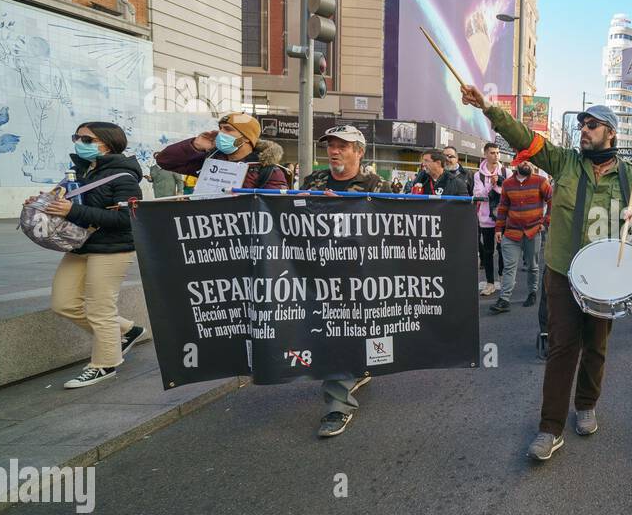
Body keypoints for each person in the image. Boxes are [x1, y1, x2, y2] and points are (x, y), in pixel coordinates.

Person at [460, 83, 632, 462]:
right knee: (562, 348)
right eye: (582, 125)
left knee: (596, 346)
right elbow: (524, 136)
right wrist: (487, 107)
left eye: (592, 125)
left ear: (610, 132)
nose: (584, 130)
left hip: (606, 280)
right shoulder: (564, 161)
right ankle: (550, 428)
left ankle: (586, 404)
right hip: (563, 272)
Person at [38, 122, 147, 388]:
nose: (79, 142)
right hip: (80, 245)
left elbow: (127, 219)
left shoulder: (124, 177)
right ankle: (126, 330)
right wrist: (42, 203)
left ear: (106, 144)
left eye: (87, 139)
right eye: (77, 137)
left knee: (100, 308)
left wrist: (71, 211)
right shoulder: (79, 171)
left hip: (113, 248)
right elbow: (66, 203)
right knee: (63, 303)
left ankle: (104, 364)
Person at [298, 125, 386, 437]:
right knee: (333, 333)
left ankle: (351, 378)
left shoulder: (376, 185)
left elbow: (390, 228)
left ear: (359, 152)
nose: (334, 151)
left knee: (351, 331)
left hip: (359, 275)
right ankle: (338, 402)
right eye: (330, 145)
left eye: (343, 146)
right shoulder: (315, 181)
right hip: (320, 274)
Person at [155, 112, 288, 190]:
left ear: (246, 138)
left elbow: (275, 209)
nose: (220, 133)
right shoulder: (210, 161)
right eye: (221, 128)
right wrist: (195, 145)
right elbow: (164, 161)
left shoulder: (267, 170)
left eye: (228, 129)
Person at [491, 156, 551, 313]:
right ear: (515, 163)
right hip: (511, 232)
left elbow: (552, 199)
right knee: (509, 267)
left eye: (529, 160)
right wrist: (498, 229)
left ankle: (532, 293)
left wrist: (546, 221)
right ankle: (504, 299)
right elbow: (503, 207)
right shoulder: (507, 184)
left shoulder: (540, 181)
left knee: (532, 265)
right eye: (523, 160)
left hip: (533, 231)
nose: (526, 163)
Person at [474, 142, 508, 296]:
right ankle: (490, 283)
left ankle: (502, 277)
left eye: (497, 152)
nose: (496, 155)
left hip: (503, 218)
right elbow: (479, 195)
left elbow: (510, 193)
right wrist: (491, 185)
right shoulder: (478, 175)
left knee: (503, 250)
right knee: (487, 252)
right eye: (493, 152)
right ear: (486, 154)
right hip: (486, 219)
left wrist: (500, 185)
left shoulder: (506, 172)